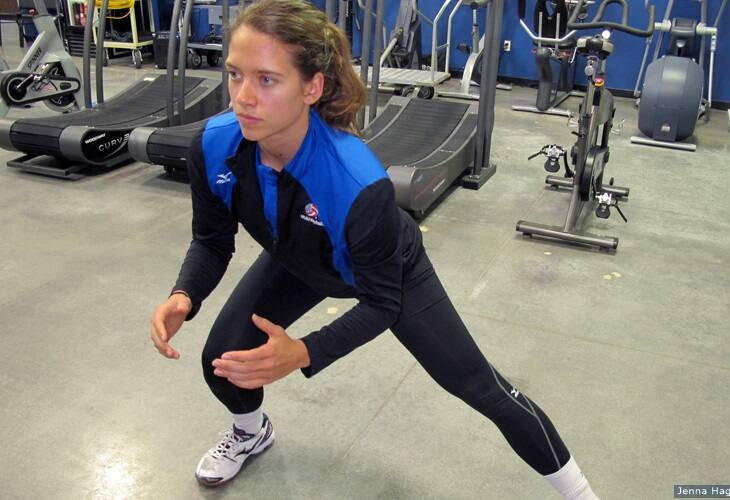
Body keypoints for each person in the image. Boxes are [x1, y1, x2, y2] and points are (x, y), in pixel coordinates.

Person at [148, 0, 598, 497]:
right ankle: (251, 434)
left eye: (267, 80)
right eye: (235, 74)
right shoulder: (213, 146)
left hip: (391, 274)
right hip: (299, 257)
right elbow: (211, 240)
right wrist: (184, 294)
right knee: (224, 358)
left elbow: (382, 302)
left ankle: (580, 492)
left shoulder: (356, 183)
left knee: (480, 388)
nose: (243, 97)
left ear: (311, 88)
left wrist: (304, 352)